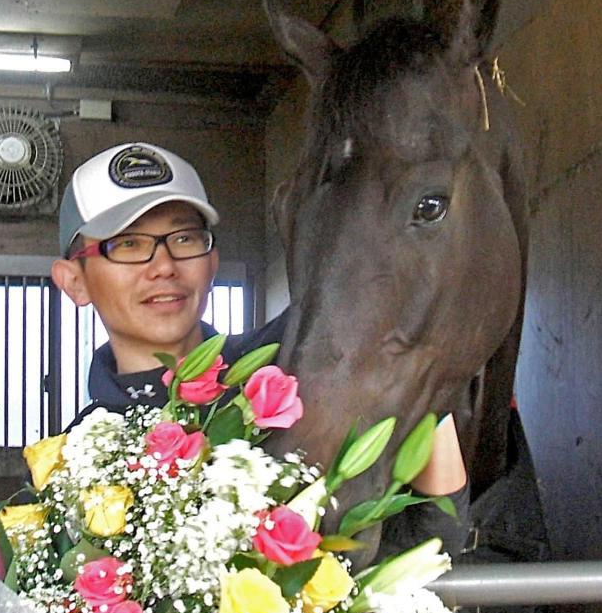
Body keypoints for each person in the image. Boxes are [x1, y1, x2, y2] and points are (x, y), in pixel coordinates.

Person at [50, 141, 469, 502]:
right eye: (127, 244)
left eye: (184, 239)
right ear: (74, 282)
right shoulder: (75, 456)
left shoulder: (300, 359)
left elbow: (438, 526)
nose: (163, 265)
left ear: (212, 261)